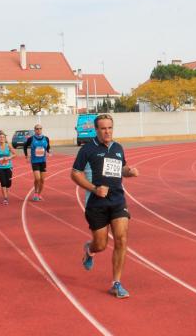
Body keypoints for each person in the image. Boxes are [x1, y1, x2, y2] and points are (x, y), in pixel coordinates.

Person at [71, 114, 139, 299]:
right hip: (96, 204)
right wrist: (94, 189)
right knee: (101, 244)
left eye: (110, 128)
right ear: (96, 130)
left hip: (118, 200)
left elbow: (121, 168)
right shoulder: (87, 149)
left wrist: (129, 171)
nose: (107, 131)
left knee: (121, 239)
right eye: (103, 128)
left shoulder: (118, 147)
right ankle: (90, 249)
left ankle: (116, 283)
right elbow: (75, 174)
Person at [24, 124, 51, 201]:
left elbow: (48, 146)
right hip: (35, 161)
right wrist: (26, 156)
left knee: (42, 180)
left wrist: (48, 152)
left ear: (42, 129)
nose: (38, 130)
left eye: (40, 128)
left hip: (43, 161)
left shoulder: (46, 138)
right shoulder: (31, 139)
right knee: (37, 178)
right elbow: (25, 146)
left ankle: (39, 194)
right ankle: (35, 192)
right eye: (37, 129)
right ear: (34, 130)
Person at [0, 132, 15, 205]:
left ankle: (6, 195)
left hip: (8, 167)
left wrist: (8, 157)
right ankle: (5, 198)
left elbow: (14, 154)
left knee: (8, 184)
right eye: (0, 137)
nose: (2, 138)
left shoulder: (8, 146)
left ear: (5, 138)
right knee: (3, 182)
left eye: (3, 137)